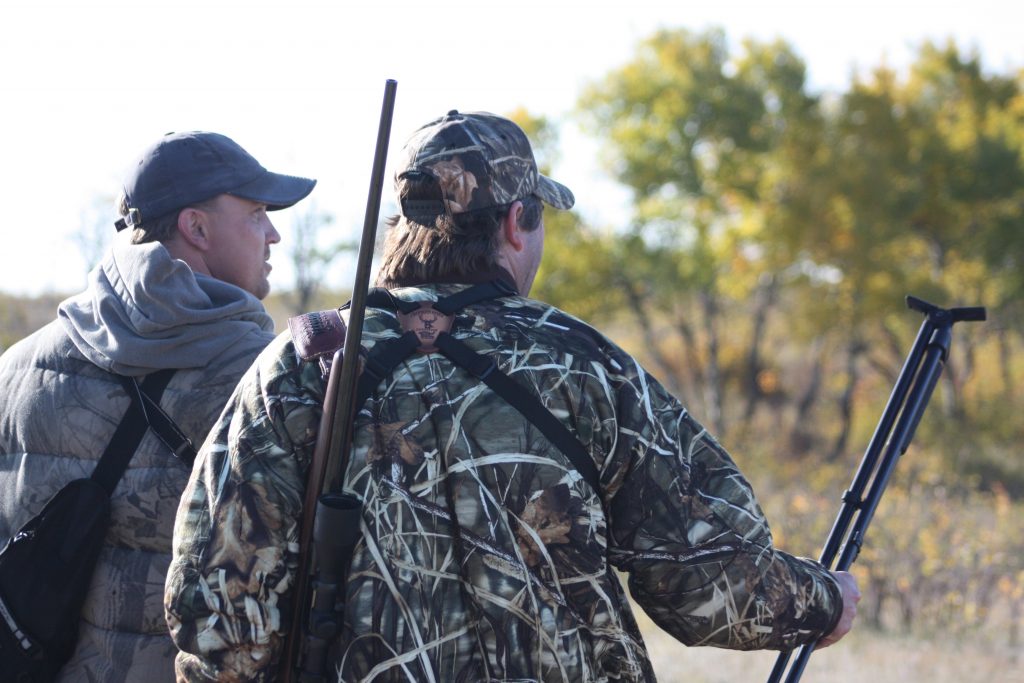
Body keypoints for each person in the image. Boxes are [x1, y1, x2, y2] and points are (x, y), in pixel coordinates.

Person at [165, 111, 859, 682]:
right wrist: (824, 599)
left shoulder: (302, 363)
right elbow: (709, 585)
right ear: (515, 223)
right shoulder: (581, 364)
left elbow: (218, 619)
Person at [0, 131, 316, 681]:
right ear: (196, 227)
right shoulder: (267, 377)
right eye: (258, 212)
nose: (274, 234)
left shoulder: (17, 367)